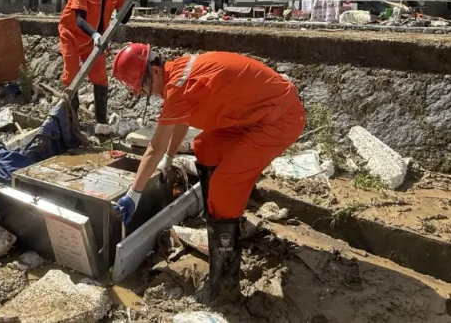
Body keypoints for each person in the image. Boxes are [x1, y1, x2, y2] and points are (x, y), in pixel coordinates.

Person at [110, 44, 305, 303]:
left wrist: (134, 194)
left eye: (143, 87)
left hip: (279, 118)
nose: (147, 93)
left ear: (154, 71)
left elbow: (154, 147)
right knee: (205, 147)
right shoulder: (177, 73)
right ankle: (219, 220)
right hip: (255, 116)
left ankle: (224, 287)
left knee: (224, 187)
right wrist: (169, 159)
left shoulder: (178, 85)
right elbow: (181, 120)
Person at [58, 0, 133, 123]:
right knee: (72, 74)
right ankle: (72, 122)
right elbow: (79, 19)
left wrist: (131, 3)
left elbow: (124, 19)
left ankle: (101, 123)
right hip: (72, 34)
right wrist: (95, 35)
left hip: (96, 39)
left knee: (100, 77)